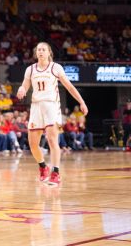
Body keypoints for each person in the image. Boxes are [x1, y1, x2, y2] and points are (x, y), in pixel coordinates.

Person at [16, 42, 88, 186]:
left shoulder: (56, 68)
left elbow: (69, 86)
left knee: (51, 139)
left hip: (51, 106)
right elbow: (25, 84)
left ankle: (56, 173)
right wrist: (22, 89)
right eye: (38, 50)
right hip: (36, 107)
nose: (41, 52)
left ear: (49, 53)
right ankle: (43, 167)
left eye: (43, 49)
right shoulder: (30, 70)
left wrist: (82, 102)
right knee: (33, 144)